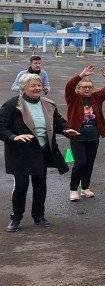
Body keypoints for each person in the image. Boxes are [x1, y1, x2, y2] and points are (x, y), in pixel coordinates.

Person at [1, 74, 79, 232]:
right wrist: (13, 137)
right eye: (33, 86)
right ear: (23, 88)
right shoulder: (12, 105)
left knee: (40, 185)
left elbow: (58, 122)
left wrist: (66, 129)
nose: (37, 88)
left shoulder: (48, 104)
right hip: (20, 152)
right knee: (21, 185)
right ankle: (16, 218)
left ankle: (38, 215)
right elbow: (1, 126)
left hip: (41, 151)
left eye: (39, 85)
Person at [64, 64, 105, 201]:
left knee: (89, 163)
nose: (87, 89)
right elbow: (69, 86)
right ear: (78, 89)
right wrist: (82, 75)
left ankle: (85, 188)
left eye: (89, 87)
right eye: (84, 87)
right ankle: (73, 189)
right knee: (80, 163)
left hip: (93, 137)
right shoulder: (73, 98)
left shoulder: (96, 98)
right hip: (77, 137)